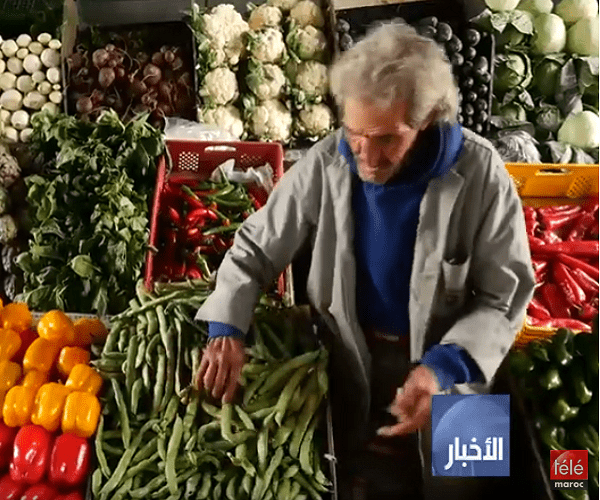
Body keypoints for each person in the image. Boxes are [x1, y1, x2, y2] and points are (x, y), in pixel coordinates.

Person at [193, 21, 534, 500]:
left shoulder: (482, 175)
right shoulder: (328, 162)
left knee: (465, 488)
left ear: (428, 119)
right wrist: (227, 326)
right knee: (353, 472)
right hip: (355, 351)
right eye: (355, 134)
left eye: (387, 139)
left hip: (454, 365)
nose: (366, 157)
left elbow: (505, 298)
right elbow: (255, 247)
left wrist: (443, 368)